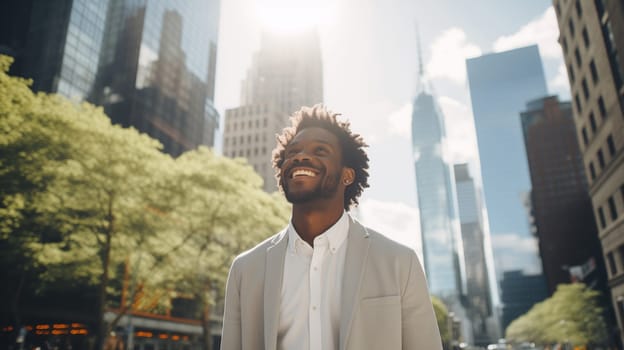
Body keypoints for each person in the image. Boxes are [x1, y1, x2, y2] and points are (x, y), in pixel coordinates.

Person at [220, 105, 442, 350]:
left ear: (347, 175)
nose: (300, 157)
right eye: (292, 152)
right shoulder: (245, 269)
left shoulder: (401, 262)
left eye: (320, 150)